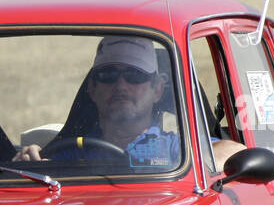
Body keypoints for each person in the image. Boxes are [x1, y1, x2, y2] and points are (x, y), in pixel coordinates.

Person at [17, 36, 181, 170]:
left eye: (134, 75)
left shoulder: (180, 154)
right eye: (108, 74)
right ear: (92, 88)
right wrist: (28, 165)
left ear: (158, 89)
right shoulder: (71, 155)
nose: (121, 86)